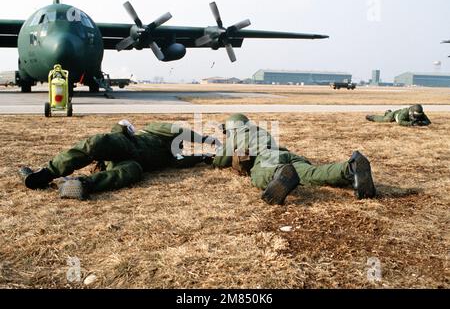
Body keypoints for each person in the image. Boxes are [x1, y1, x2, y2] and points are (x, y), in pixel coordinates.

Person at [19, 120, 218, 200]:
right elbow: (185, 132)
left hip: (131, 161)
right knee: (97, 142)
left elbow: (183, 161)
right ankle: (45, 174)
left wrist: (203, 157)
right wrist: (208, 140)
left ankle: (81, 184)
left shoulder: (173, 156)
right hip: (127, 144)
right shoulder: (157, 130)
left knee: (132, 171)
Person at [212, 114, 376, 205]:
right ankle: (350, 168)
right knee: (312, 174)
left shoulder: (237, 135)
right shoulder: (257, 130)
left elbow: (220, 161)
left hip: (267, 159)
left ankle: (280, 173)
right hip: (286, 155)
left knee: (260, 175)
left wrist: (212, 157)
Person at [365, 104, 431, 127]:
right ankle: (371, 117)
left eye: (419, 115)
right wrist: (411, 123)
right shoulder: (405, 112)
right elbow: (400, 122)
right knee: (386, 119)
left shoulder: (420, 113)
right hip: (395, 115)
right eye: (416, 115)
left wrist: (421, 123)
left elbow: (428, 122)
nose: (418, 117)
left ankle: (388, 112)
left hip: (401, 116)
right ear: (412, 112)